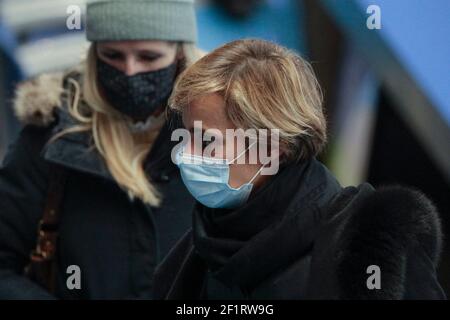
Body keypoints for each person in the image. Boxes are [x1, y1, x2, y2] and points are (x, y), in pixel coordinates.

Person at [152, 39, 446, 299]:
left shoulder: (366, 246)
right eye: (186, 135)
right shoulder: (198, 246)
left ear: (271, 148)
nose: (183, 155)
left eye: (206, 141)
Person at [0, 0, 203, 299]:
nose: (130, 71)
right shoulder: (52, 135)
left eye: (149, 57)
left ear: (180, 54)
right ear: (94, 53)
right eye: (113, 55)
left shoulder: (221, 133)